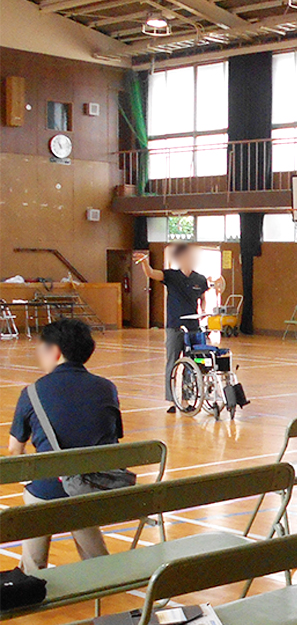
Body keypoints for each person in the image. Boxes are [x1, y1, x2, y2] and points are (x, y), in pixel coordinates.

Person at [7, 319, 123, 572]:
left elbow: (14, 450)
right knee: (75, 496)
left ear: (56, 351)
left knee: (42, 493)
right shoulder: (107, 388)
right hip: (92, 489)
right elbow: (113, 439)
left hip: (50, 491)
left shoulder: (32, 392)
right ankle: (100, 569)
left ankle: (32, 573)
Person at [139, 244, 208, 413]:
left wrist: (203, 310)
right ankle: (172, 401)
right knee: (172, 362)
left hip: (193, 327)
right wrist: (145, 263)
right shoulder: (171, 276)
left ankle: (186, 399)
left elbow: (203, 297)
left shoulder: (200, 279)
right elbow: (151, 273)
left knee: (191, 364)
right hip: (175, 326)